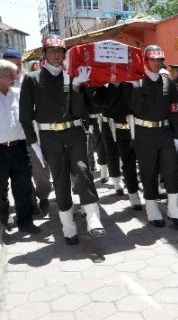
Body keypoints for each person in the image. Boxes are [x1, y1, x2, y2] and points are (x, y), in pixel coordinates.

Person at [19, 34, 106, 245]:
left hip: (74, 133)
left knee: (82, 170)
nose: (57, 54)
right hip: (49, 138)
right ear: (45, 53)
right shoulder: (32, 78)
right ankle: (68, 225)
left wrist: (77, 87)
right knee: (60, 180)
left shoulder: (72, 76)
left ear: (65, 54)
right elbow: (25, 116)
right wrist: (33, 143)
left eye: (60, 51)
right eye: (52, 50)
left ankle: (93, 218)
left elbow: (81, 111)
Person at [128, 44, 178, 227]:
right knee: (148, 172)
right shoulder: (137, 81)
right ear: (146, 60)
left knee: (172, 170)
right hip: (144, 134)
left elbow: (175, 110)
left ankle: (173, 209)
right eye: (153, 59)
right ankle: (152, 209)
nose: (157, 63)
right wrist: (135, 88)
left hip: (165, 133)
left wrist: (177, 136)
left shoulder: (168, 82)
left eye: (160, 59)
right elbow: (134, 109)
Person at [3, 50, 52, 216]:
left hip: (31, 134)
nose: (15, 65)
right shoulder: (3, 82)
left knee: (41, 168)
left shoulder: (29, 79)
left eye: (17, 61)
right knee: (21, 176)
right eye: (11, 62)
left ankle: (43, 195)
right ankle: (30, 204)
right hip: (10, 137)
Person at [0, 60, 40, 234]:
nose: (15, 77)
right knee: (0, 189)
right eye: (10, 74)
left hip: (20, 148)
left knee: (23, 187)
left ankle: (25, 221)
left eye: (16, 73)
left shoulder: (19, 94)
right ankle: (4, 218)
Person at [94, 82, 141, 210]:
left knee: (134, 160)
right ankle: (118, 182)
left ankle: (138, 191)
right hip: (110, 124)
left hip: (132, 126)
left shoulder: (131, 83)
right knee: (112, 153)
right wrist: (111, 85)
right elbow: (102, 104)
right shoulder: (103, 85)